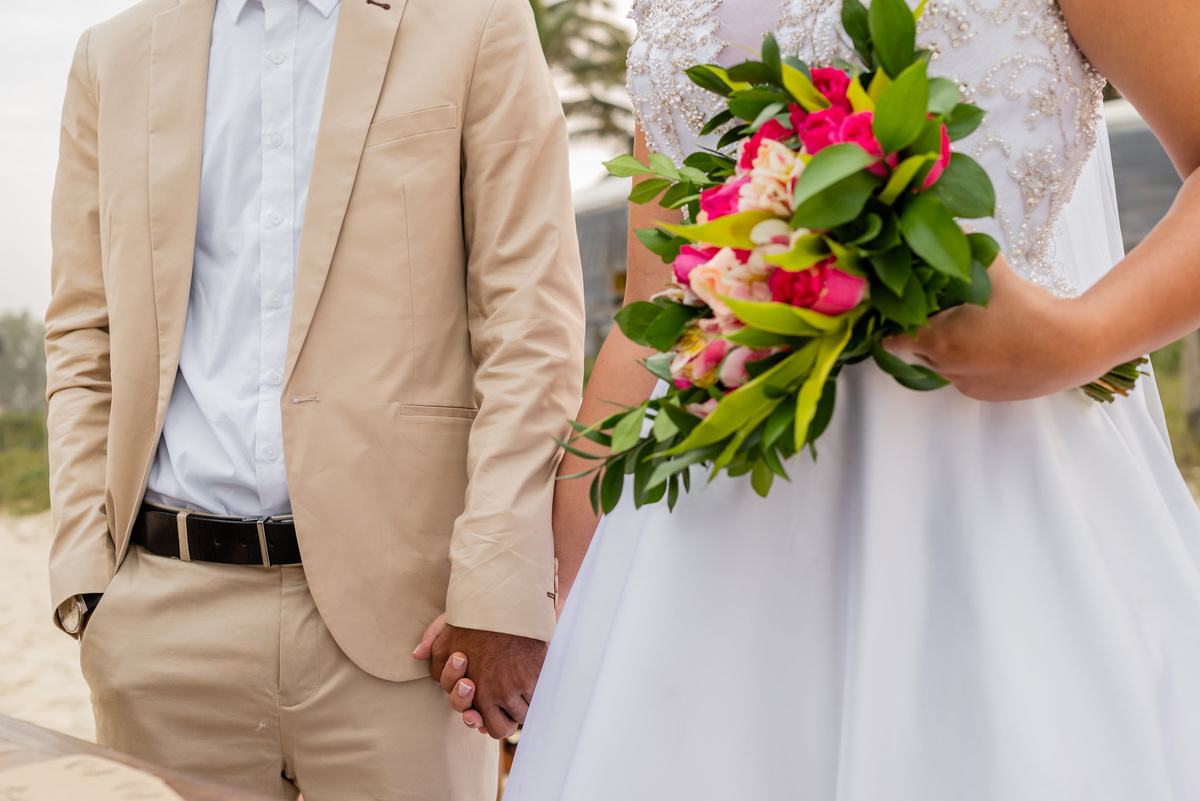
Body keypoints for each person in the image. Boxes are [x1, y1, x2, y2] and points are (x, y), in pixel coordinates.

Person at [448, 0, 1200, 797]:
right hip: (701, 556)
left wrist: (1078, 339)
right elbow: (653, 318)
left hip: (992, 511)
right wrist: (542, 589)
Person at [44, 0, 584, 797]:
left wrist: (501, 589)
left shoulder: (477, 24)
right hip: (161, 624)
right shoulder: (110, 56)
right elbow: (84, 331)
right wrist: (87, 579)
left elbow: (529, 324)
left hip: (409, 628)